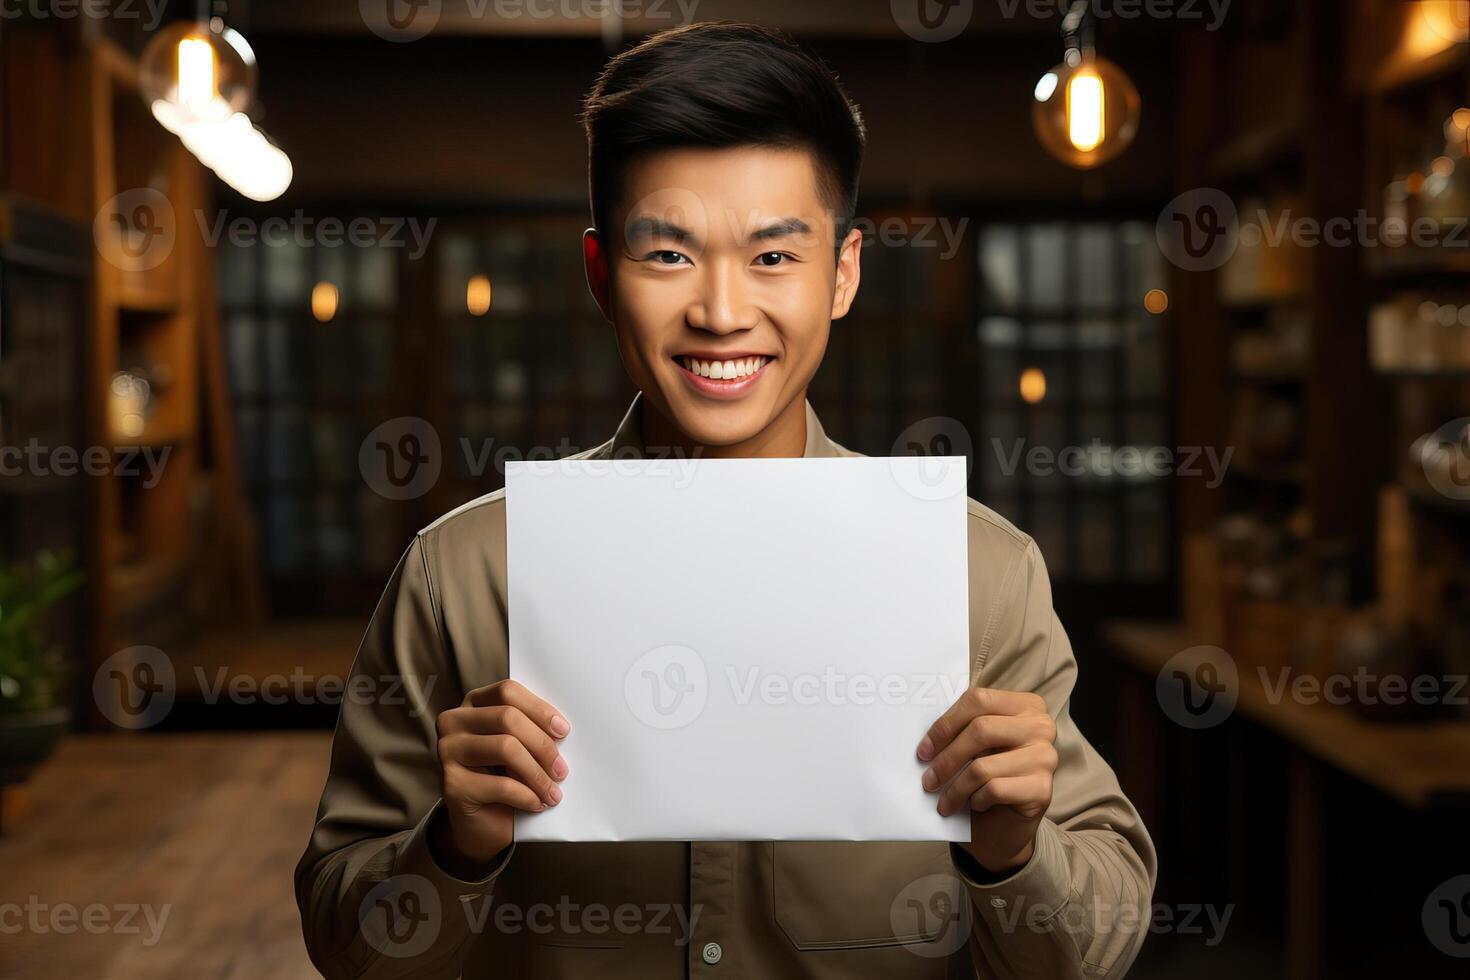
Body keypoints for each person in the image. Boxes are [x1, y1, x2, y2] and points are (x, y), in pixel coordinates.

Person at [296, 21, 1155, 979]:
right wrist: (456, 847)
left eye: (774, 257)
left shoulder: (979, 573)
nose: (719, 311)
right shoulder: (460, 577)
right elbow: (345, 948)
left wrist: (1012, 852)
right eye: (667, 256)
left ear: (843, 274)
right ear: (598, 276)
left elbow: (1097, 949)